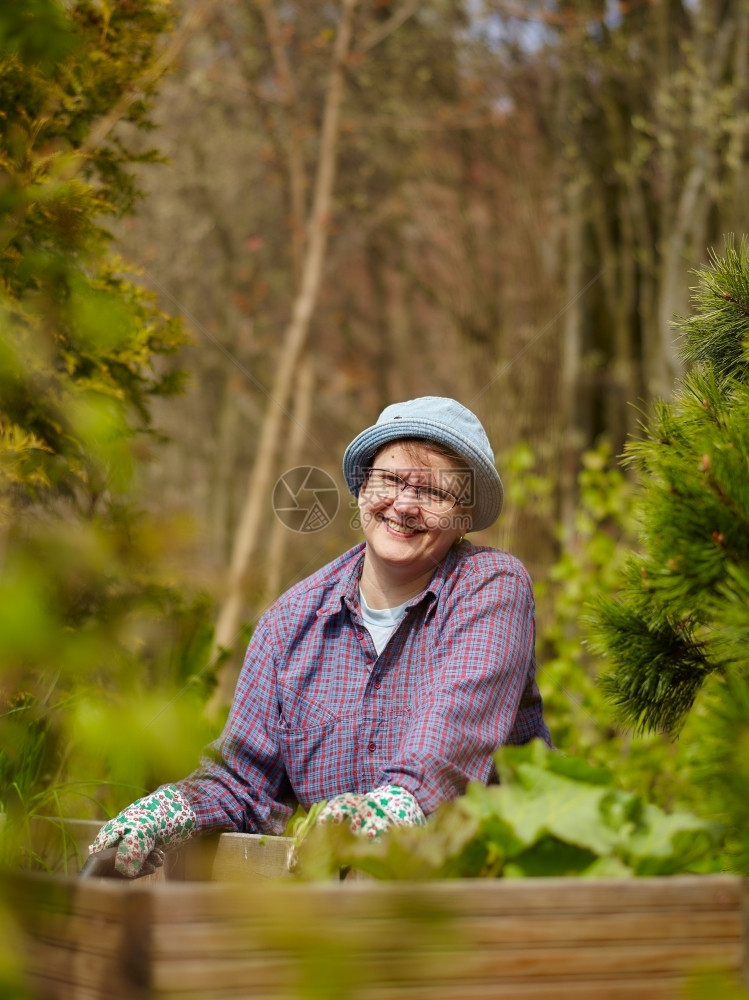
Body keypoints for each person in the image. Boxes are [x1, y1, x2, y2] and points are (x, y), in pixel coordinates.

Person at [90, 396, 551, 876]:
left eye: (434, 493)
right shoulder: (289, 624)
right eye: (391, 480)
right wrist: (174, 810)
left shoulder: (491, 587)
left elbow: (452, 732)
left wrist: (396, 805)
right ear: (363, 485)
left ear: (462, 516)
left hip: (488, 894)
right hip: (345, 917)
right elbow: (243, 782)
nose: (405, 504)